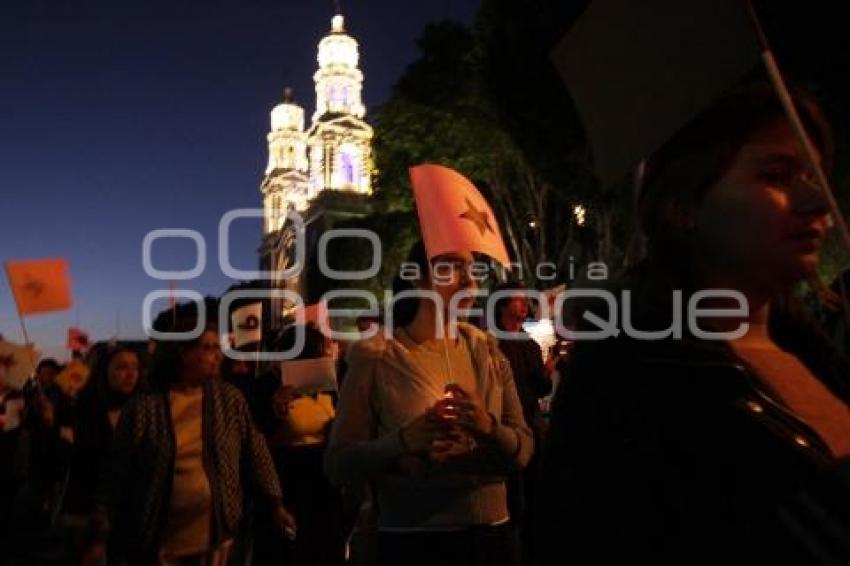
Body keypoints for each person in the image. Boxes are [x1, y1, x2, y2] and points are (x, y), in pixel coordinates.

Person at [537, 81, 850, 564]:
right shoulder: (630, 381)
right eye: (777, 174)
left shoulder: (821, 351)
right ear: (681, 204)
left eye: (816, 175)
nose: (818, 202)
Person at [325, 241, 533, 566]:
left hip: (495, 538)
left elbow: (525, 448)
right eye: (453, 268)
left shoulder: (491, 355)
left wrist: (489, 428)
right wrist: (403, 442)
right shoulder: (376, 358)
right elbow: (338, 465)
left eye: (472, 270)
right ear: (417, 278)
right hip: (414, 541)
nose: (470, 282)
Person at [85, 310, 295, 566]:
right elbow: (115, 473)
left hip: (216, 541)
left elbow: (256, 451)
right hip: (159, 543)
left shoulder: (229, 400)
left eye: (218, 347)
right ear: (181, 352)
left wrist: (275, 503)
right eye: (207, 348)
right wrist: (99, 536)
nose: (217, 355)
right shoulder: (144, 408)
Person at [251, 324, 346, 566]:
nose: (330, 354)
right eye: (324, 349)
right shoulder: (269, 386)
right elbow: (257, 436)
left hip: (323, 481)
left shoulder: (328, 387)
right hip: (288, 481)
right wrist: (275, 409)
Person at [62, 345, 146, 556]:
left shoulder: (146, 410)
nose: (130, 374)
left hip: (133, 512)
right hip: (88, 510)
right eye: (121, 367)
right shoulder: (86, 409)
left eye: (135, 367)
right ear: (104, 371)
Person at [492, 284, 551, 565]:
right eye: (518, 300)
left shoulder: (528, 344)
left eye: (526, 301)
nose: (525, 305)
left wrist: (549, 367)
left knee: (534, 492)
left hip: (531, 424)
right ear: (502, 305)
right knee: (512, 496)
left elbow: (541, 386)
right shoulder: (491, 344)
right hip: (503, 427)